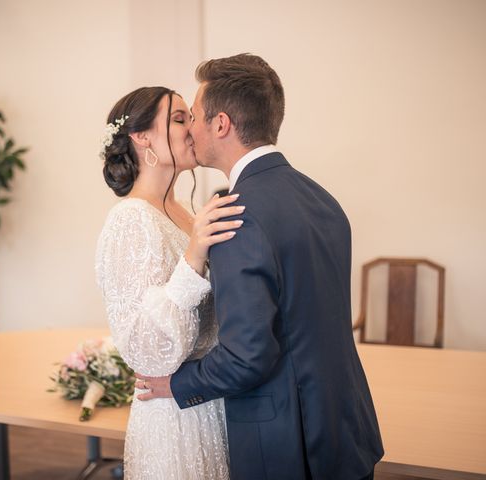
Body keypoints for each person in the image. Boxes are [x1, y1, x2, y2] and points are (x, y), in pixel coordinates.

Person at [136, 54, 384, 479]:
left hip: (290, 442)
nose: (191, 128)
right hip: (345, 427)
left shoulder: (235, 214)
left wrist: (176, 385)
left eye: (194, 116)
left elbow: (247, 358)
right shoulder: (321, 198)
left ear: (221, 124)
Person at [95, 86, 242, 479]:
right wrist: (194, 256)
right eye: (179, 119)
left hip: (210, 401)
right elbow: (149, 352)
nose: (192, 128)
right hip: (172, 416)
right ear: (142, 137)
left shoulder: (187, 214)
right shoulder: (130, 220)